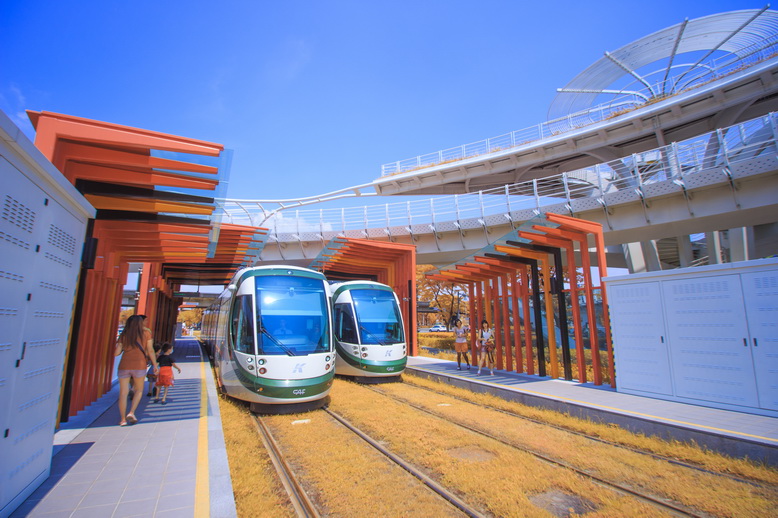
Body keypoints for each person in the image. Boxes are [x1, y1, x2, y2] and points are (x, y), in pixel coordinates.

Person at [115, 314, 158, 425]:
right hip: (140, 365)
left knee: (123, 393)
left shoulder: (124, 334)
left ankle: (122, 419)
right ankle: (131, 412)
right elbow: (150, 350)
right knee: (138, 390)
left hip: (124, 365)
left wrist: (119, 345)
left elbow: (117, 353)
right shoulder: (146, 333)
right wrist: (155, 365)